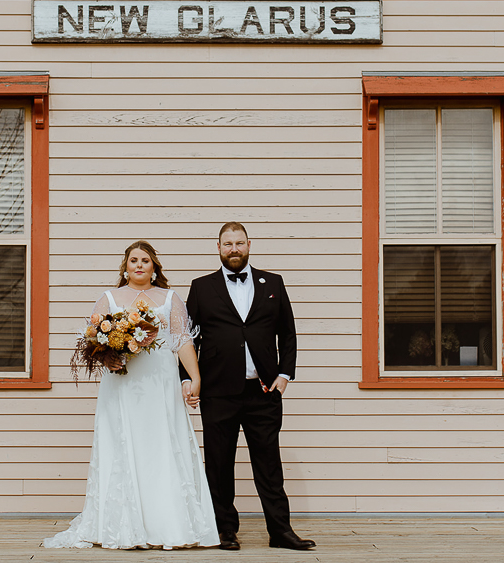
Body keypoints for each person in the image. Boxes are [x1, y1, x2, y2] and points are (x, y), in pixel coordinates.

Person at [44, 240, 219, 551]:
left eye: (146, 261)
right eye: (134, 260)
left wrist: (195, 377)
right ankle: (123, 524)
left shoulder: (170, 299)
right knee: (123, 444)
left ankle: (167, 523)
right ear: (125, 267)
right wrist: (105, 357)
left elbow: (181, 341)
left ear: (154, 268)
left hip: (161, 385)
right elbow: (92, 341)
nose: (139, 265)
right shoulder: (109, 299)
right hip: (122, 386)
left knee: (162, 446)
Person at [181, 222, 316, 552]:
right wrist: (187, 380)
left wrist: (285, 376)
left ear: (249, 244)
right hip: (217, 391)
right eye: (227, 244)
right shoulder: (201, 287)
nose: (234, 249)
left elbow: (287, 333)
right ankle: (225, 530)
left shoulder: (273, 282)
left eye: (239, 242)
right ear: (218, 247)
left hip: (264, 391)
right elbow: (186, 338)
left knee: (269, 464)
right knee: (219, 464)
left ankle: (281, 531)